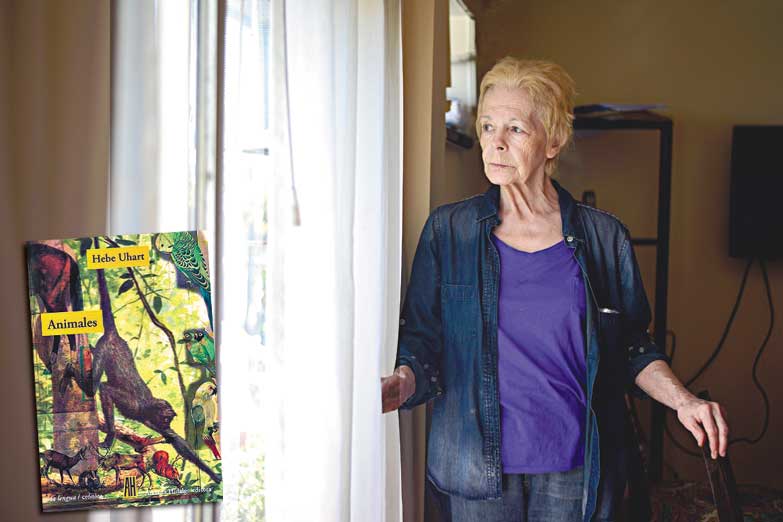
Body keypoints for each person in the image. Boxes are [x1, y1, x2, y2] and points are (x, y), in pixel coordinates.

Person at [381, 57, 729, 522]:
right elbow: (424, 339)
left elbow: (631, 346)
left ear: (553, 141)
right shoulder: (450, 232)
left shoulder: (604, 237)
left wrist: (684, 401)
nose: (496, 142)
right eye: (487, 126)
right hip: (474, 467)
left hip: (576, 470)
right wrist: (403, 382)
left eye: (515, 129)